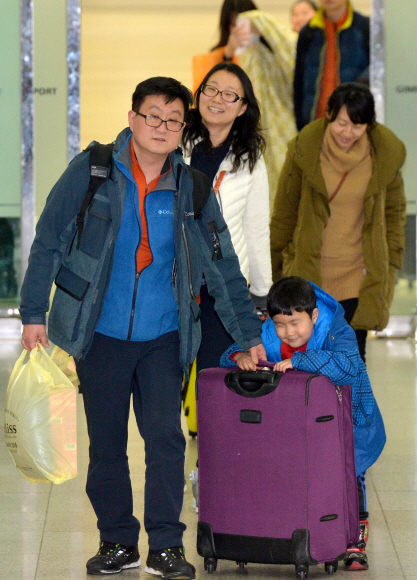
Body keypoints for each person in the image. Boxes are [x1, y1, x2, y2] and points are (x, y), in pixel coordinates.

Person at [19, 76, 266, 578]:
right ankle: (117, 540)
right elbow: (48, 238)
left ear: (182, 129)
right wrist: (32, 313)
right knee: (106, 442)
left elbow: (223, 265)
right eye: (153, 116)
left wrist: (248, 334)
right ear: (133, 118)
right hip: (100, 333)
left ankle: (166, 545)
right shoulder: (94, 170)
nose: (162, 127)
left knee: (165, 438)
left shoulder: (192, 188)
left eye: (173, 120)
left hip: (163, 334)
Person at [221, 276, 387, 571]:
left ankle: (355, 540)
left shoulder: (336, 330)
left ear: (314, 315)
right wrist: (242, 355)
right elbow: (225, 355)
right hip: (306, 424)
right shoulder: (268, 334)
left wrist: (301, 361)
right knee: (311, 478)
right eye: (280, 324)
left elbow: (348, 368)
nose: (288, 333)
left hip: (354, 420)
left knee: (350, 473)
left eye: (296, 323)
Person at [270, 83, 406, 363]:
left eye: (357, 126)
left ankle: (349, 409)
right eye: (342, 123)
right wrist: (273, 266)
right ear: (329, 115)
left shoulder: (384, 157)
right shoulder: (304, 151)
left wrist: (390, 262)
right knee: (309, 362)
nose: (348, 133)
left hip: (359, 275)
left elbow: (394, 213)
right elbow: (285, 211)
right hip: (312, 274)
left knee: (352, 364)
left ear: (369, 125)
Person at [182, 62, 272, 372]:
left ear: (243, 107)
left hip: (223, 287)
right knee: (166, 381)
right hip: (174, 282)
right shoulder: (175, 142)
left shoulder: (250, 159)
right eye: (211, 89)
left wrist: (261, 294)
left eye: (230, 95)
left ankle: (198, 424)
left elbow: (256, 229)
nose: (217, 99)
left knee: (214, 379)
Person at [192, 0, 297, 211]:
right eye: (233, 25)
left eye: (245, 23)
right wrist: (229, 53)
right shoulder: (215, 58)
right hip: (228, 143)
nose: (240, 31)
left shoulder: (270, 55)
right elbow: (201, 96)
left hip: (270, 137)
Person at [294, 0, 369, 130]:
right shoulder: (308, 32)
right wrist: (301, 127)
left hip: (355, 125)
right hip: (316, 124)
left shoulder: (365, 27)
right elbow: (299, 83)